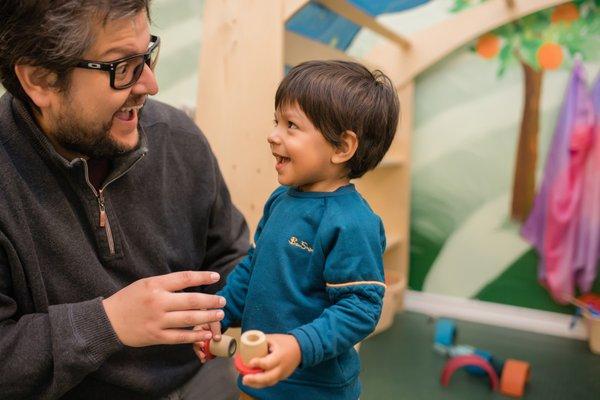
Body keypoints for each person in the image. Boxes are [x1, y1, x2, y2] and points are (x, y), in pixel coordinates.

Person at [0, 1, 249, 399]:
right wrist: (108, 322)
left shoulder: (179, 138)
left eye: (147, 55)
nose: (150, 84)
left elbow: (230, 258)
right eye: (122, 67)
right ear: (39, 80)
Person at [198, 60, 400, 399]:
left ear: (341, 148)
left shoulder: (352, 222)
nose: (273, 135)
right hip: (257, 377)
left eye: (291, 125)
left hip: (314, 391)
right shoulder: (281, 200)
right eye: (276, 121)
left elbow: (360, 307)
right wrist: (220, 313)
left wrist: (298, 346)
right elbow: (253, 267)